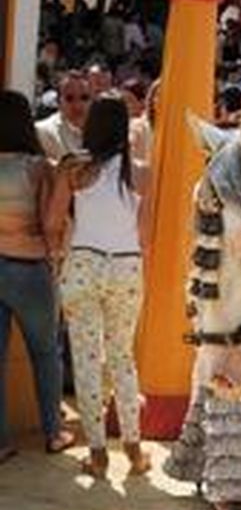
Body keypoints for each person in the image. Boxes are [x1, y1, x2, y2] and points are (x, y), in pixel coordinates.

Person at [46, 94, 150, 478]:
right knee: (122, 357)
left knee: (87, 360)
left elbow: (54, 221)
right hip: (126, 266)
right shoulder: (141, 172)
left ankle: (97, 452)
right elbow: (145, 235)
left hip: (84, 264)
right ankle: (135, 450)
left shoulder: (73, 167)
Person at [0, 91, 72, 460]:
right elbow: (50, 222)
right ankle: (54, 431)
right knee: (46, 353)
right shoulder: (38, 167)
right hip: (29, 267)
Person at [36, 71, 91, 160]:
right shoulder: (43, 131)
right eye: (69, 98)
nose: (77, 105)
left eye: (84, 98)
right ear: (58, 101)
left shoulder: (103, 130)